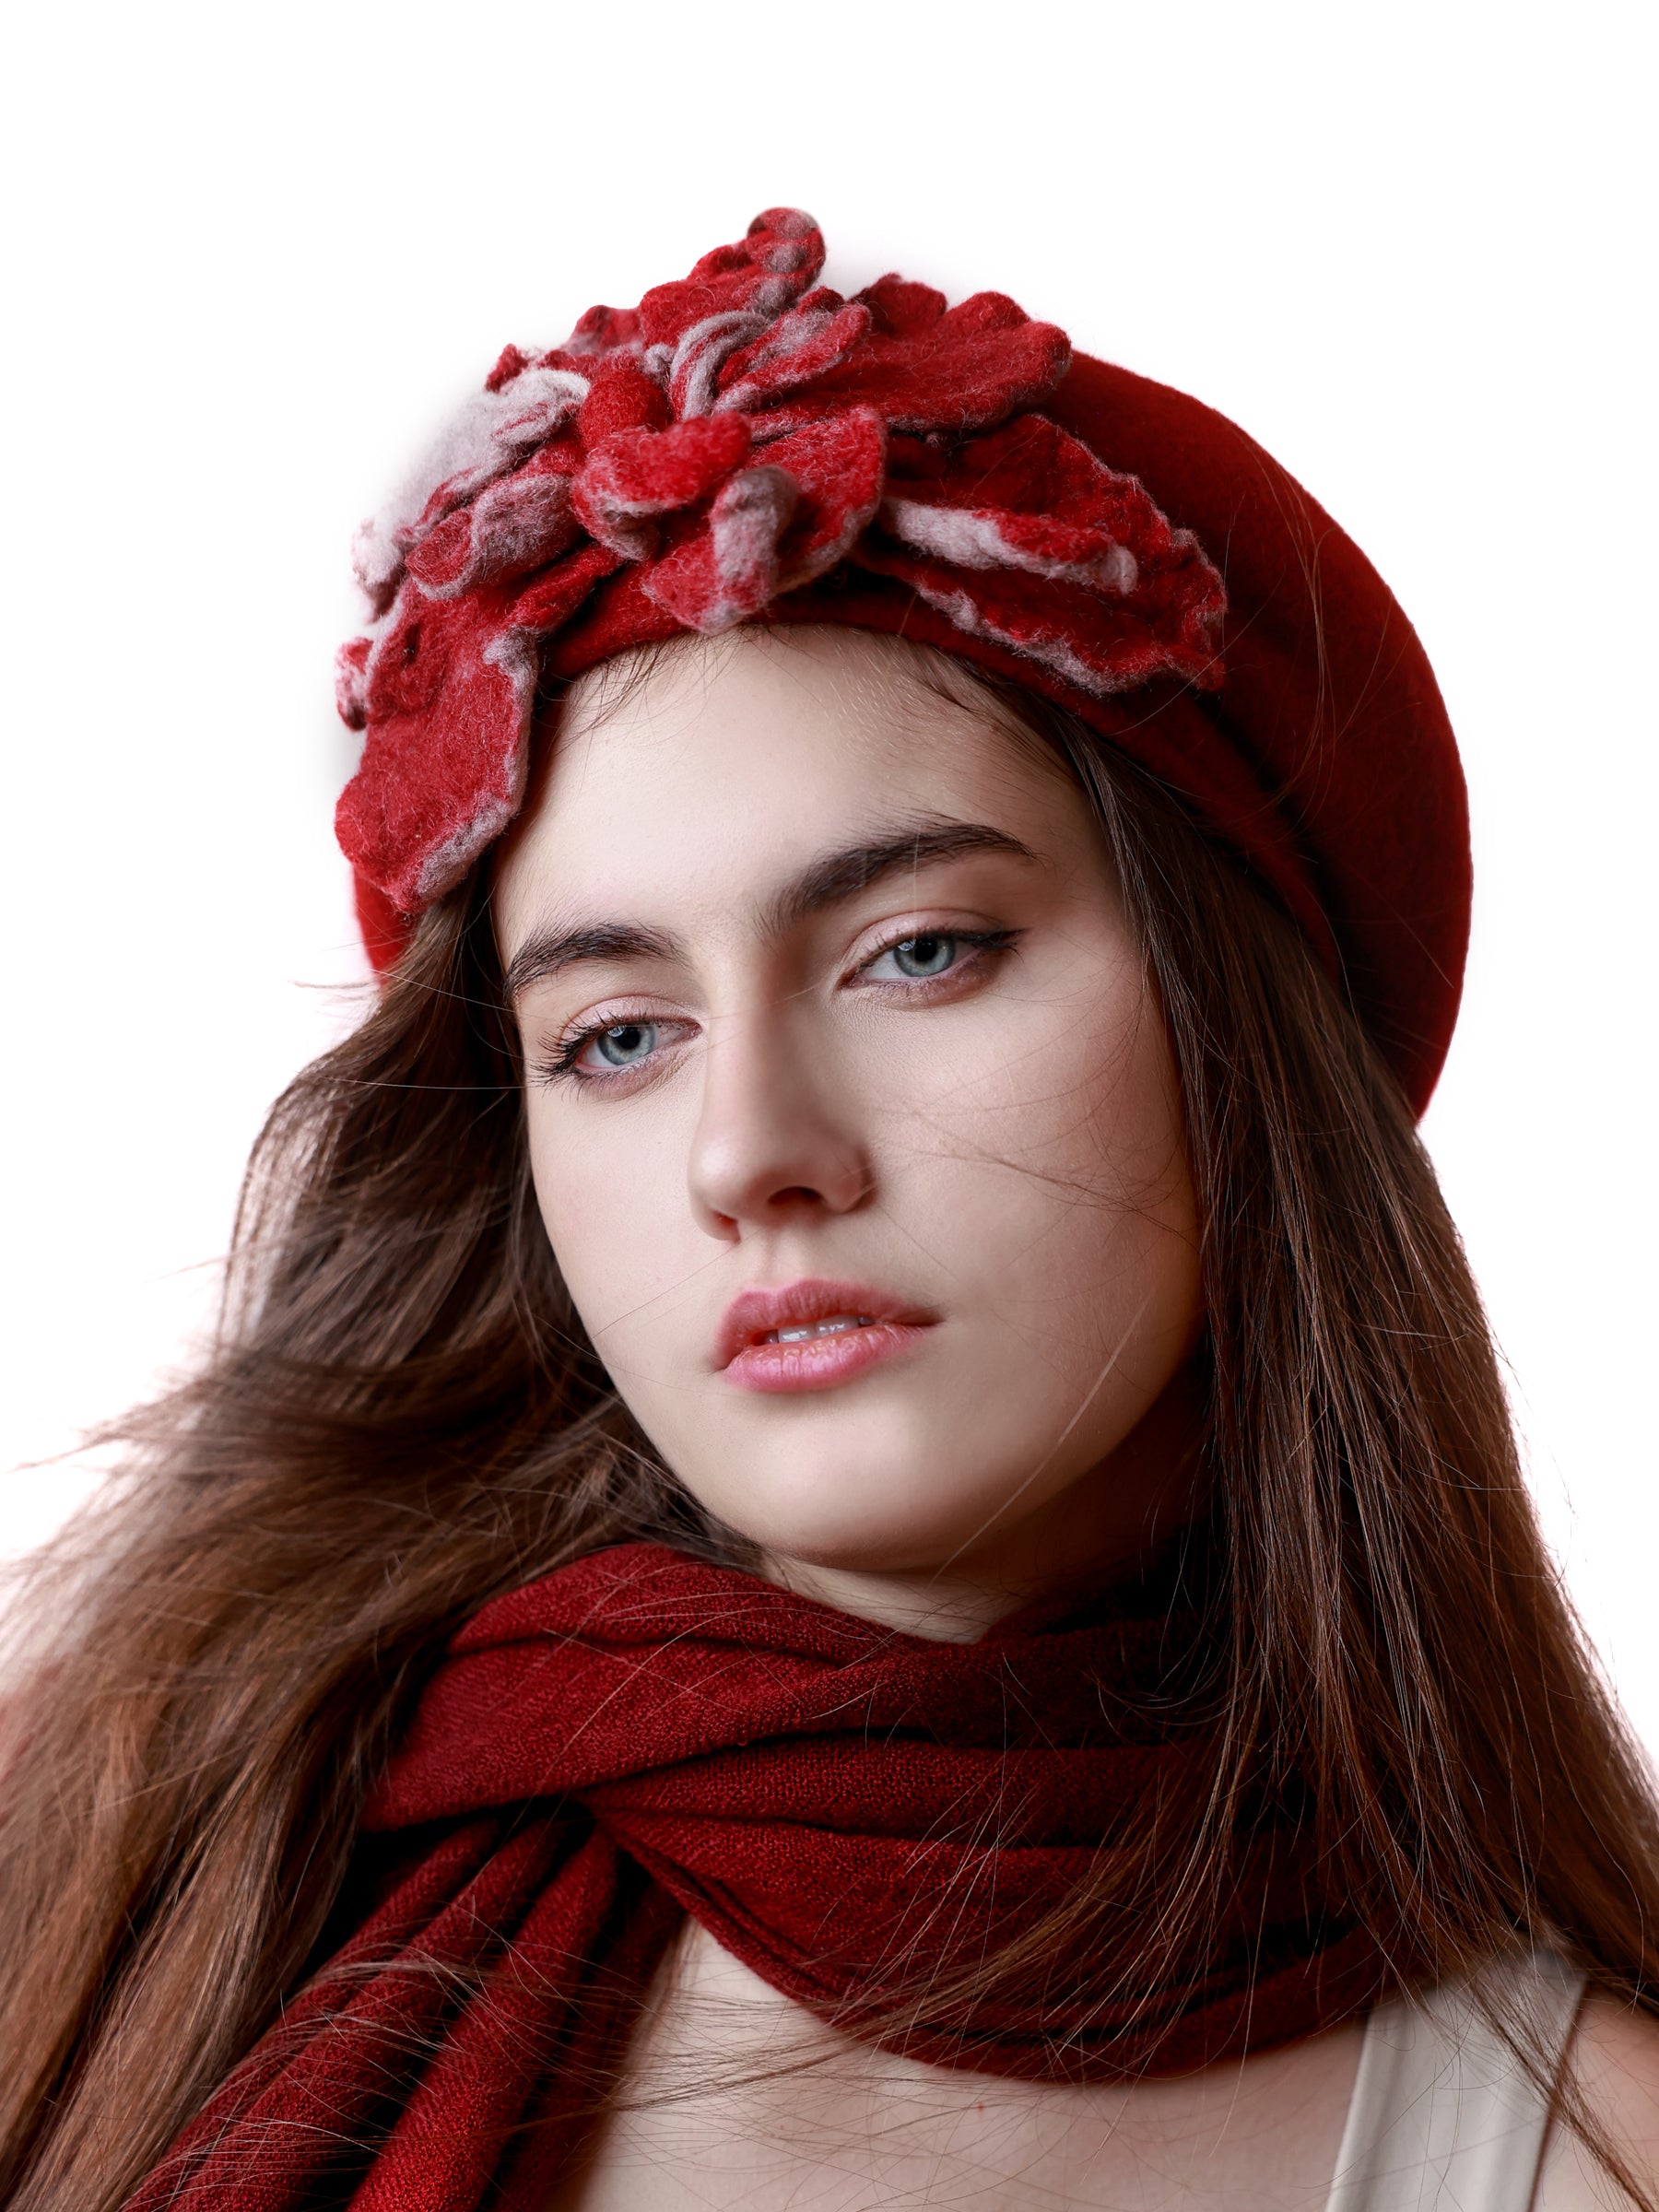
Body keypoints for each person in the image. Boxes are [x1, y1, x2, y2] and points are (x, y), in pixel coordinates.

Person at [0, 207, 1654, 2212]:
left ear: (1236, 1038)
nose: (749, 1153)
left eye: (919, 952)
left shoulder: (1592, 2150)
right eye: (619, 1037)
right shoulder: (127, 1882)